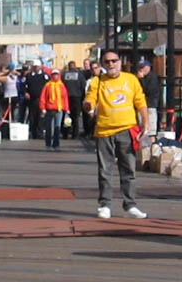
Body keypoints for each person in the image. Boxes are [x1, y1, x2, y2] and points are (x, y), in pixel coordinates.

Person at [83, 51, 149, 220]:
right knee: (105, 171)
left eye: (114, 61)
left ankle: (130, 204)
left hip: (127, 129)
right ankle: (105, 204)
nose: (111, 64)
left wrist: (146, 122)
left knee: (129, 169)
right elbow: (90, 98)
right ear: (103, 65)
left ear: (120, 62)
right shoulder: (97, 81)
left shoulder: (131, 79)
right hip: (104, 131)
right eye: (107, 62)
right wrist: (87, 104)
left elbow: (140, 101)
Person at [39, 69, 70, 151]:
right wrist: (42, 108)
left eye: (56, 74)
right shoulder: (47, 85)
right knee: (48, 128)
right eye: (53, 74)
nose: (55, 76)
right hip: (49, 109)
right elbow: (43, 97)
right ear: (51, 75)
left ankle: (56, 145)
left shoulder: (61, 85)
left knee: (57, 127)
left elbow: (65, 98)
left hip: (59, 109)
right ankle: (48, 145)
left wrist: (66, 109)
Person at [136, 60, 162, 138]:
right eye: (140, 67)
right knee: (141, 129)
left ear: (148, 68)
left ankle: (151, 147)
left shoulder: (152, 78)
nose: (141, 70)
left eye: (143, 67)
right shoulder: (138, 77)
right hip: (141, 106)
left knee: (150, 131)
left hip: (149, 105)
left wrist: (141, 79)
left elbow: (147, 91)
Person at [23, 59, 49, 139]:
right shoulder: (29, 76)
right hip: (32, 100)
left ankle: (40, 133)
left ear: (40, 67)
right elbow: (23, 85)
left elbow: (48, 86)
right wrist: (25, 92)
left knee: (41, 116)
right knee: (32, 116)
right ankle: (33, 132)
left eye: (37, 66)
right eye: (35, 67)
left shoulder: (45, 76)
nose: (36, 68)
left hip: (42, 100)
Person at [60, 61, 84, 139]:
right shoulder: (80, 75)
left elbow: (61, 86)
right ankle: (75, 134)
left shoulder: (64, 75)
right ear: (75, 66)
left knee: (67, 116)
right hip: (77, 97)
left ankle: (66, 133)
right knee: (76, 117)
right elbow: (82, 86)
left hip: (66, 98)